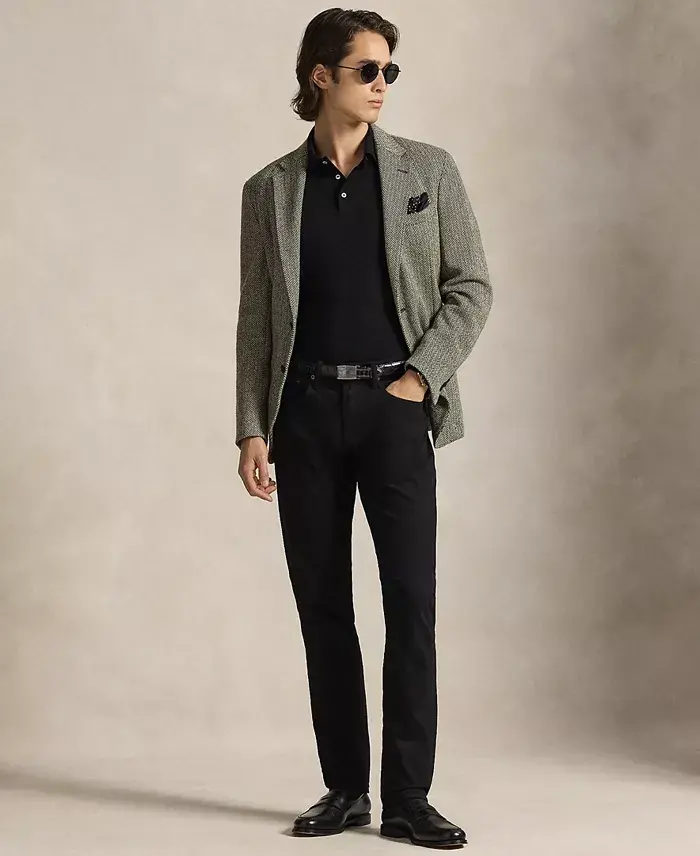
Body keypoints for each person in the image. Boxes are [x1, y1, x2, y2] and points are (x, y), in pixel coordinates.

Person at [235, 7, 492, 849]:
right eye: (368, 70)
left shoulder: (428, 170)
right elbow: (256, 319)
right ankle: (346, 789)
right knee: (324, 607)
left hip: (393, 411)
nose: (383, 84)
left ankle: (409, 797)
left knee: (411, 603)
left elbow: (471, 286)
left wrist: (419, 379)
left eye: (390, 71)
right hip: (305, 414)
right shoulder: (270, 190)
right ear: (322, 76)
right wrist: (251, 427)